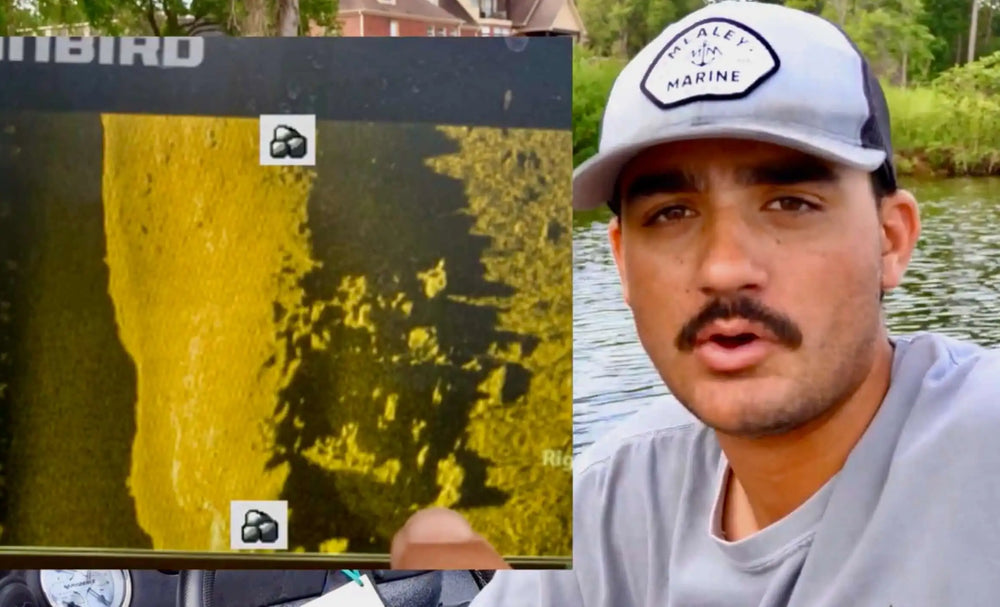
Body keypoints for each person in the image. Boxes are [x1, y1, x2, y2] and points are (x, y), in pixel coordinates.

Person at [389, 1, 1000, 605]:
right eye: (672, 214)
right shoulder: (608, 506)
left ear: (891, 241)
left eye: (790, 203)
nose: (724, 268)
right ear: (623, 263)